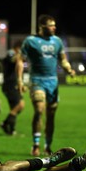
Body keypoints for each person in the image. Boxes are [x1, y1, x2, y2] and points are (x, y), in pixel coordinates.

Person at [18, 14, 76, 157]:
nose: (54, 27)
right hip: (37, 80)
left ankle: (48, 146)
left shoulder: (57, 41)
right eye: (51, 25)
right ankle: (35, 144)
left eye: (54, 25)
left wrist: (68, 69)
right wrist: (20, 80)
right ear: (42, 27)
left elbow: (63, 60)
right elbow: (20, 60)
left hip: (53, 82)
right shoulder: (31, 41)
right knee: (39, 110)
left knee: (51, 115)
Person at [0, 40, 26, 135]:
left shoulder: (17, 56)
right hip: (9, 85)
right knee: (20, 105)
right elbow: (14, 59)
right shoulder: (11, 53)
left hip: (13, 84)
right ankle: (5, 123)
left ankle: (11, 129)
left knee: (15, 107)